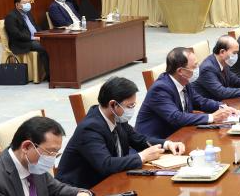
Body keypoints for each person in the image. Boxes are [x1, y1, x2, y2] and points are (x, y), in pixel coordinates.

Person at [57, 77, 186, 188]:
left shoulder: (117, 118)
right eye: (130, 106)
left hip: (113, 181)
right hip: (82, 191)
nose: (132, 110)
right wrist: (142, 157)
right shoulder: (90, 128)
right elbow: (106, 165)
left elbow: (139, 140)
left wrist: (167, 144)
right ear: (113, 104)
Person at [135, 47, 238, 140]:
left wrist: (224, 107)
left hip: (179, 134)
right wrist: (212, 117)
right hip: (156, 141)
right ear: (180, 71)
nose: (198, 69)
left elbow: (200, 101)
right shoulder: (160, 89)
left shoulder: (184, 82)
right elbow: (176, 117)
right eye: (194, 66)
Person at [194, 36, 240, 100]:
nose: (236, 56)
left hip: (223, 101)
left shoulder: (224, 62)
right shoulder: (208, 68)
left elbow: (235, 80)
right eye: (234, 53)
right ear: (222, 52)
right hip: (208, 106)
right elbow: (220, 92)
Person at [3, 0, 49, 79]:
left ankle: (55, 71)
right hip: (21, 43)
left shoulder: (28, 14)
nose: (28, 4)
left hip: (34, 39)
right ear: (17, 5)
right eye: (24, 3)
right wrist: (34, 38)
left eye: (28, 2)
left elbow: (36, 27)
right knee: (44, 47)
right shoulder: (11, 17)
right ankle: (50, 75)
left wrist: (43, 35)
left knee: (52, 44)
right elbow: (16, 34)